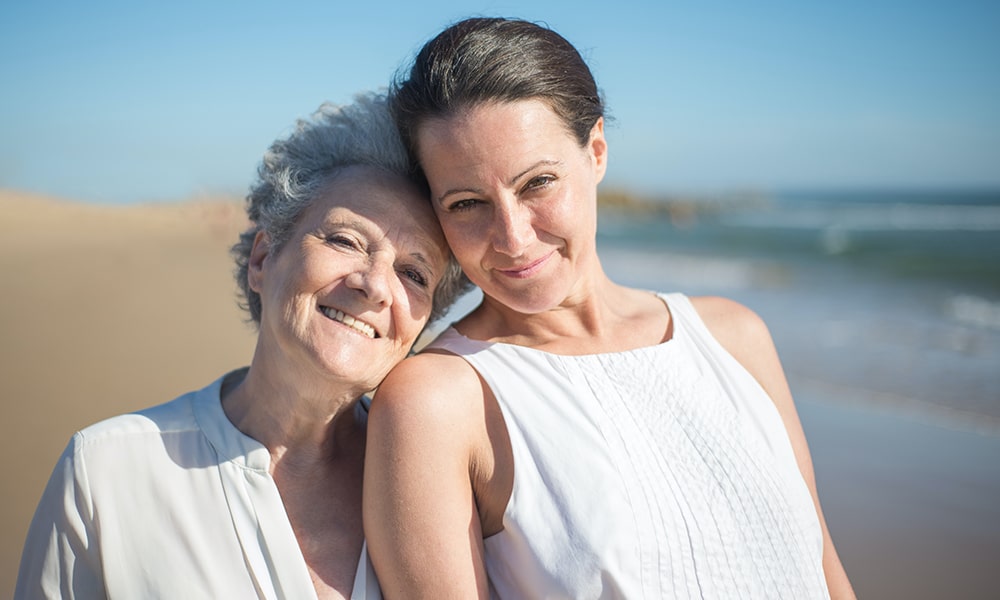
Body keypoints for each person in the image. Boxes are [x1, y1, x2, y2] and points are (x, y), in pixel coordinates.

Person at [363, 17, 856, 599]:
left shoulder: (733, 337)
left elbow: (821, 565)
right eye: (467, 202)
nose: (514, 238)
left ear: (596, 151)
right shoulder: (438, 400)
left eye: (538, 183)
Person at [15, 91, 468, 599]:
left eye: (413, 273)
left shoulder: (443, 484)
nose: (376, 285)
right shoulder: (108, 472)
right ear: (262, 257)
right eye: (345, 240)